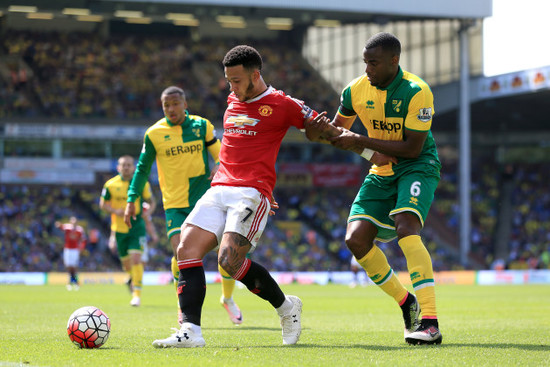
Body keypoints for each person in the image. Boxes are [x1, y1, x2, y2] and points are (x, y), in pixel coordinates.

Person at [150, 45, 335, 348]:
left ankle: (287, 309)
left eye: (236, 80)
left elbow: (320, 129)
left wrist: (341, 137)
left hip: (250, 192)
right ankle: (191, 332)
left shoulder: (282, 103)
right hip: (219, 187)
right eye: (228, 80)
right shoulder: (233, 100)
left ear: (255, 75)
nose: (231, 87)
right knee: (185, 249)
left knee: (229, 262)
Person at [308, 32, 443, 345]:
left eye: (374, 62)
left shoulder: (417, 91)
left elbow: (411, 148)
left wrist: (361, 141)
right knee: (355, 240)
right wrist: (320, 131)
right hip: (381, 170)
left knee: (407, 226)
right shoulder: (355, 90)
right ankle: (405, 302)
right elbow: (340, 132)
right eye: (365, 62)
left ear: (394, 61)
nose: (367, 69)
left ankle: (431, 322)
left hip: (417, 165)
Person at [123, 86, 244, 326]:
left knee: (228, 255)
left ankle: (227, 299)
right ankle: (183, 306)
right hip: (175, 206)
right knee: (181, 254)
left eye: (175, 103)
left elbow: (222, 155)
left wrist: (220, 165)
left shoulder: (201, 126)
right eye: (166, 105)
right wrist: (131, 199)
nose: (171, 109)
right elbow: (142, 169)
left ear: (184, 104)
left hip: (205, 202)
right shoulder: (154, 134)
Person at [100, 155, 156, 307]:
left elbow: (152, 202)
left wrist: (148, 212)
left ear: (133, 167)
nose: (126, 167)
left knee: (136, 259)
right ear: (118, 167)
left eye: (129, 165)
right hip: (119, 229)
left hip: (136, 226)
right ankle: (132, 278)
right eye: (123, 165)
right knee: (126, 265)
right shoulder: (110, 185)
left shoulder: (141, 183)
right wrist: (114, 210)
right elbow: (103, 204)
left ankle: (136, 295)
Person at [55, 216, 86, 291]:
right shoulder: (68, 228)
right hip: (68, 249)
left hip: (75, 250)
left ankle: (73, 282)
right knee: (68, 266)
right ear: (70, 222)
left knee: (74, 267)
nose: (74, 223)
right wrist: (58, 224)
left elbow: (83, 240)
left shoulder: (79, 230)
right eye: (72, 221)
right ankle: (74, 281)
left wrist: (81, 248)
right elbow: (61, 227)